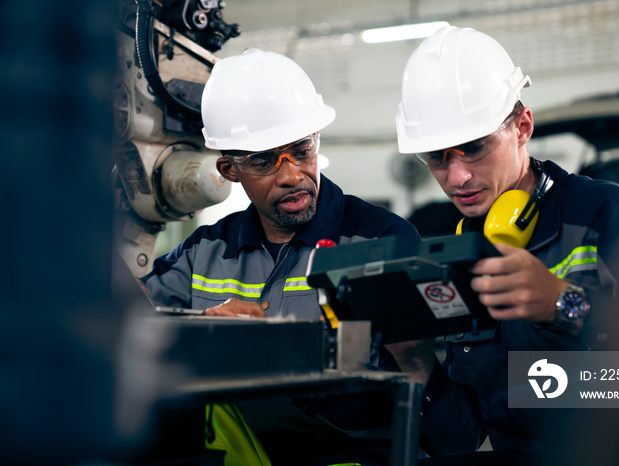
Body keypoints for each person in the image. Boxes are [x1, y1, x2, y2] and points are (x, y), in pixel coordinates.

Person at [389, 26, 619, 459]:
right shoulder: (461, 252)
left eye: (473, 148)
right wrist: (417, 366)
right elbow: (462, 438)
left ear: (522, 126)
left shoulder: (607, 214)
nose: (457, 177)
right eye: (437, 157)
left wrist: (566, 306)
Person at [141, 48, 419, 466]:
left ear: (317, 140)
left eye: (302, 150)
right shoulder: (204, 253)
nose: (292, 175)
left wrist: (276, 350)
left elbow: (412, 385)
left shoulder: (380, 239)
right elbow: (135, 326)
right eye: (264, 161)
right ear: (228, 170)